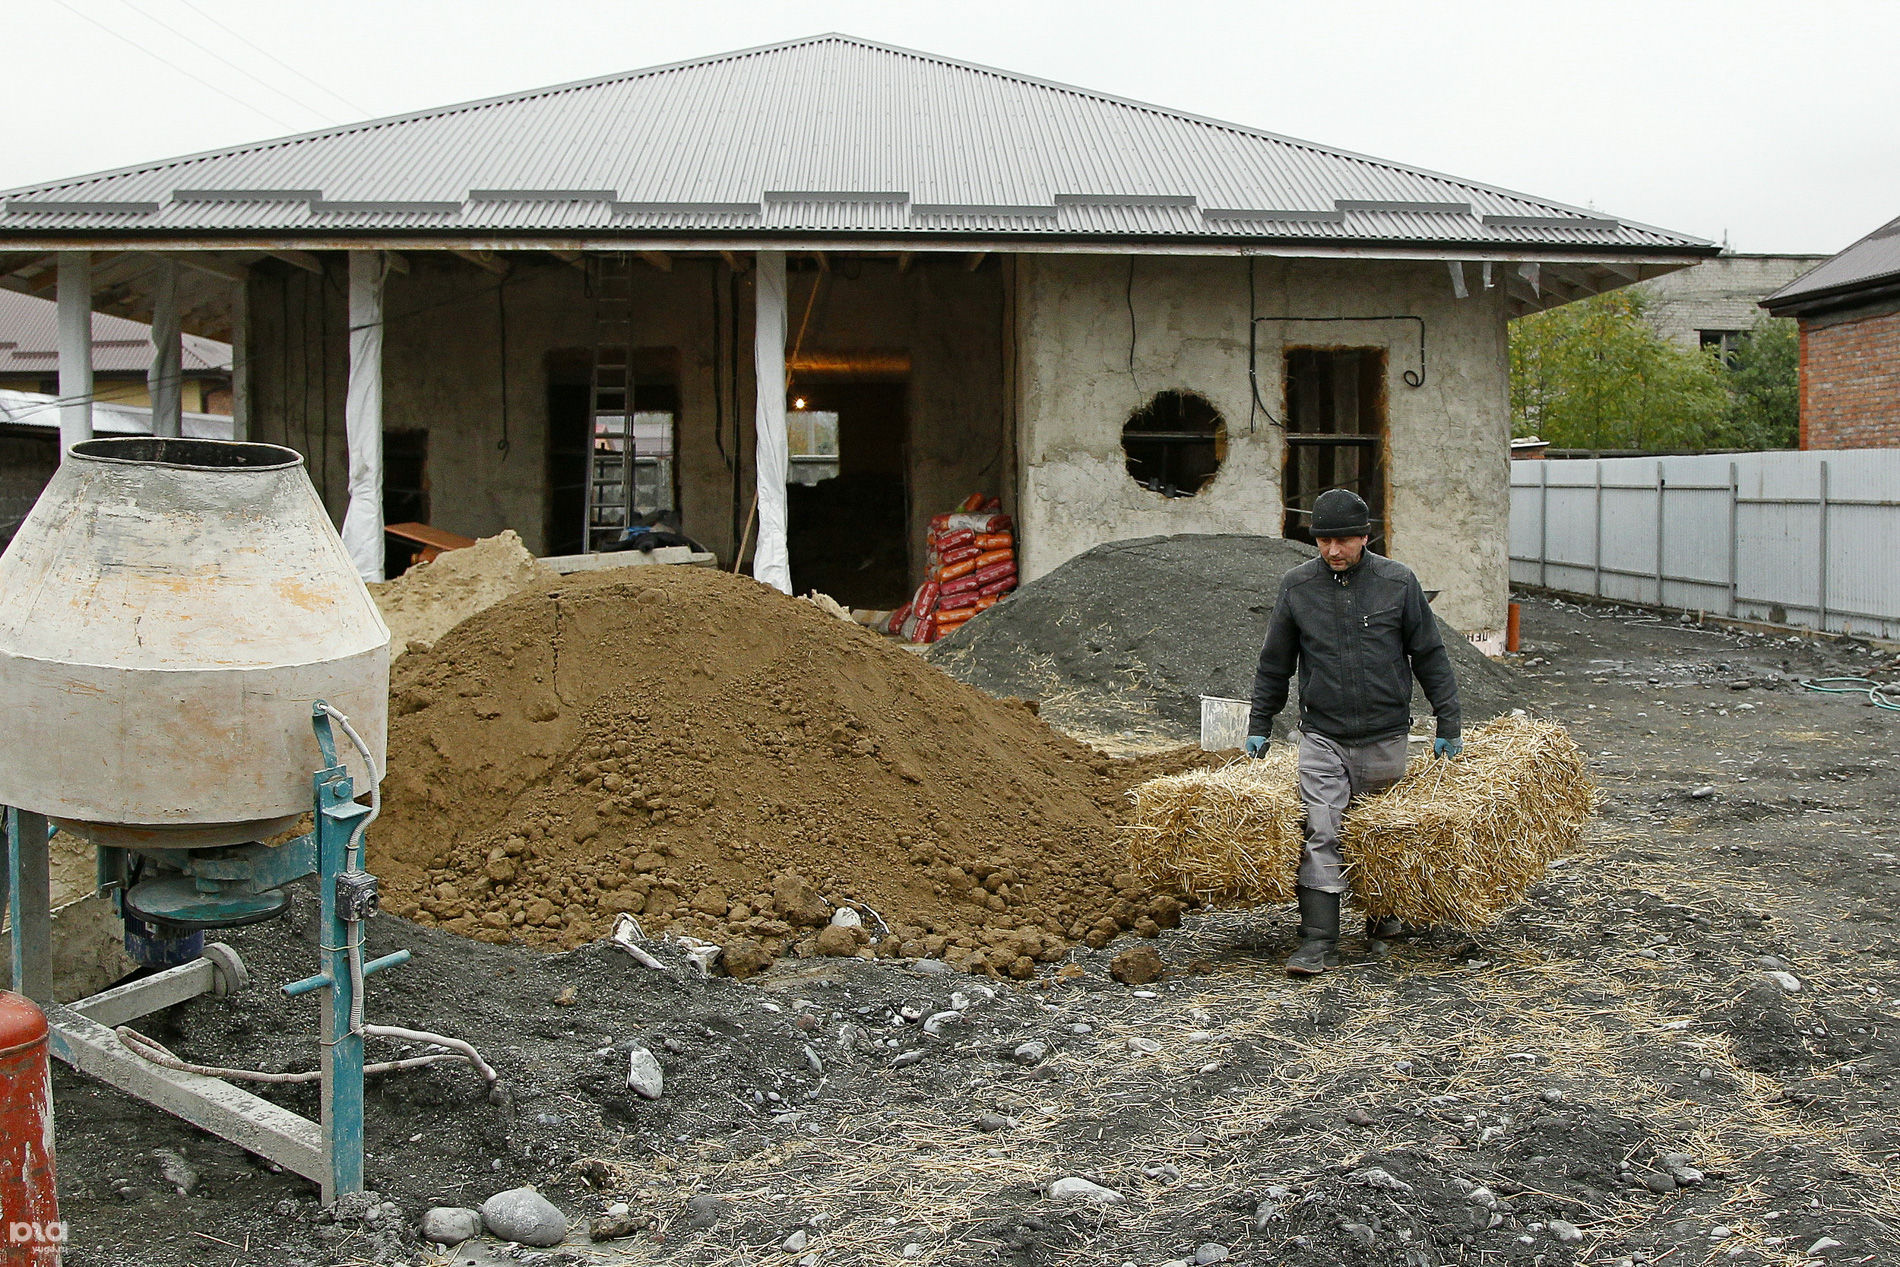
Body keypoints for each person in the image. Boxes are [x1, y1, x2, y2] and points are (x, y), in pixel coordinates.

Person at [1245, 488, 1462, 976]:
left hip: (1386, 733)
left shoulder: (1397, 583)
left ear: (1366, 536)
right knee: (1322, 828)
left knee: (1380, 833)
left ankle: (1384, 919)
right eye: (1323, 541)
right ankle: (1318, 939)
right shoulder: (1298, 587)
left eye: (1344, 540)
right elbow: (1274, 663)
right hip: (1323, 734)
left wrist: (1448, 721)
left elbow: (1429, 655)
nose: (1333, 551)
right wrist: (1259, 722)